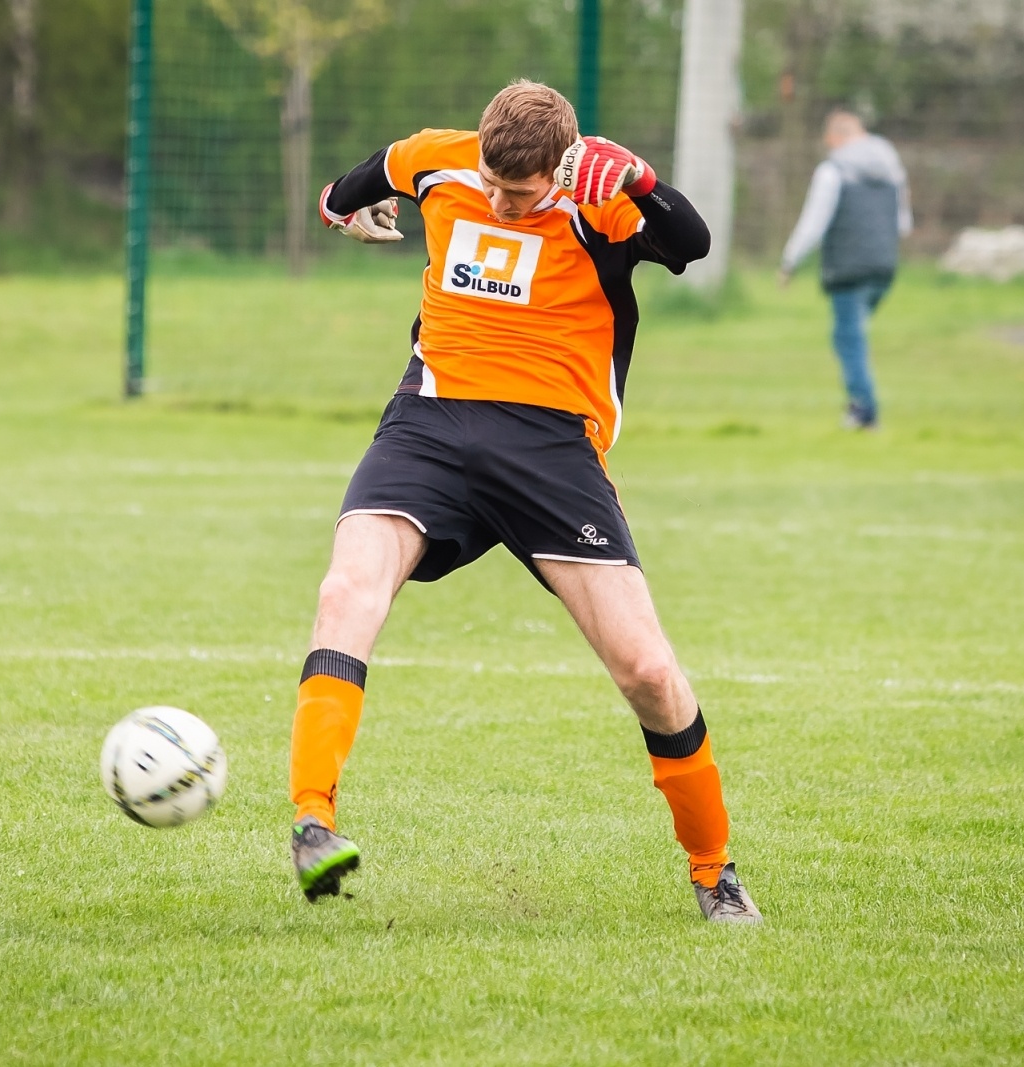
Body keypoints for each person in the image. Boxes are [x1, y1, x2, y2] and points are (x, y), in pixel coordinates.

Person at [287, 80, 761, 923]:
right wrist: (339, 207)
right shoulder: (443, 159)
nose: (504, 203)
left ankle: (714, 868)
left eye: (523, 191)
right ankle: (314, 821)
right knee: (343, 592)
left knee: (649, 672)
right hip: (428, 424)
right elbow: (363, 179)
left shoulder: (598, 199)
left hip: (552, 450)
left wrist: (643, 183)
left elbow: (692, 240)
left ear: (563, 164)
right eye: (495, 186)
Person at [779, 110, 912, 430]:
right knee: (854, 335)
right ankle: (859, 404)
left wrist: (790, 259)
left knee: (849, 339)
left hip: (848, 269)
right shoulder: (891, 166)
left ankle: (864, 412)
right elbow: (904, 223)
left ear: (834, 137)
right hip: (884, 267)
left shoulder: (832, 170)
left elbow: (815, 222)